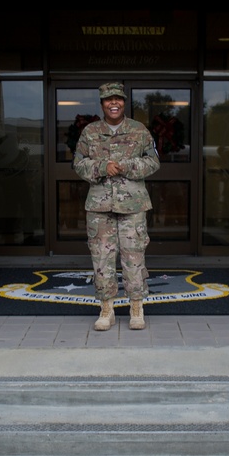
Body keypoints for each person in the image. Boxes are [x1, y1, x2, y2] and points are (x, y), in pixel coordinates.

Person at [73, 82, 160, 331]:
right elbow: (78, 163)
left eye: (118, 99)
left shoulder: (139, 130)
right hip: (100, 207)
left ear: (124, 102)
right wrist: (101, 167)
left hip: (133, 205)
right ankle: (107, 309)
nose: (114, 103)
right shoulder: (90, 132)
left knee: (134, 257)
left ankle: (136, 307)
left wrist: (126, 166)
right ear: (101, 104)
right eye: (108, 99)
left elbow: (153, 162)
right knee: (101, 258)